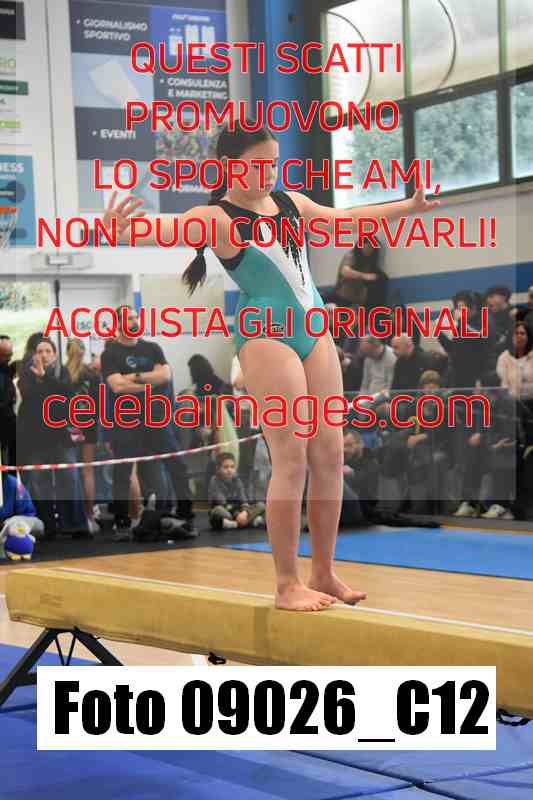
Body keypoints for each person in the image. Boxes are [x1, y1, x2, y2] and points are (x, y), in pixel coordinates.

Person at [103, 122, 439, 611]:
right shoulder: (216, 218)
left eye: (273, 163)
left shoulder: (290, 203)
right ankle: (286, 584)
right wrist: (121, 229)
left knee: (329, 454)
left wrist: (408, 207)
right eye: (257, 165)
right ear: (228, 166)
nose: (267, 173)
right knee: (292, 455)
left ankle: (323, 572)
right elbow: (162, 230)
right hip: (266, 334)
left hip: (313, 327)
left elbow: (347, 218)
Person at [100, 305, 197, 541]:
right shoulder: (110, 354)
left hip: (156, 418)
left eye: (136, 317)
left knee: (177, 465)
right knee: (123, 472)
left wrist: (133, 378)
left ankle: (185, 514)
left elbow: (165, 375)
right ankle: (122, 522)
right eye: (129, 319)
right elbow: (116, 386)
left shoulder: (152, 348)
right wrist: (148, 384)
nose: (134, 322)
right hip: (127, 420)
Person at [17, 337, 89, 538]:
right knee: (39, 482)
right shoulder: (26, 374)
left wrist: (45, 378)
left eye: (48, 351)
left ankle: (74, 524)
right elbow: (31, 395)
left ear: (55, 354)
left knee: (70, 479)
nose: (44, 355)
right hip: (34, 439)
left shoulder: (62, 372)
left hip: (61, 436)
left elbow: (66, 394)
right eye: (40, 351)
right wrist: (43, 380)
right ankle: (47, 525)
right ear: (34, 355)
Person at [64, 338, 101, 535]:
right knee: (87, 471)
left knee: (71, 471)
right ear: (84, 352)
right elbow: (99, 401)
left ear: (67, 352)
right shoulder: (92, 374)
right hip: (89, 424)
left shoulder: (61, 373)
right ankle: (89, 515)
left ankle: (75, 516)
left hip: (70, 425)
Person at [208, 451, 265, 531]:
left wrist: (245, 512)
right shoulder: (214, 481)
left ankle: (236, 523)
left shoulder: (237, 479)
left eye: (232, 467)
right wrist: (237, 515)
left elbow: (243, 499)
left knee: (261, 505)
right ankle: (246, 522)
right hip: (226, 511)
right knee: (217, 511)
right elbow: (223, 503)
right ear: (218, 469)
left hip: (238, 511)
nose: (229, 470)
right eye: (226, 467)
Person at [0, 335, 16, 470]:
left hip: (9, 429)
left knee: (10, 468)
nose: (8, 358)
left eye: (10, 354)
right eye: (5, 355)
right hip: (6, 425)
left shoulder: (8, 370)